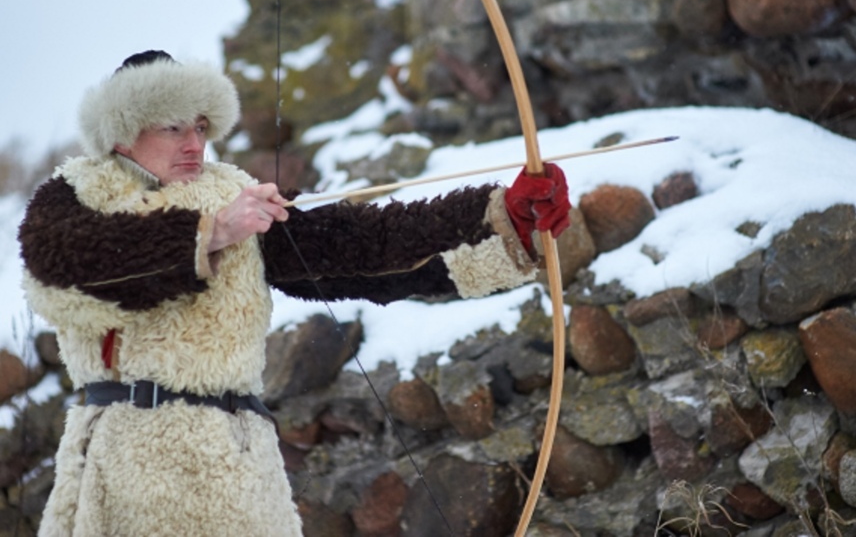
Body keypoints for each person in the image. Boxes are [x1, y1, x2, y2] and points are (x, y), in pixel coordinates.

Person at [18, 50, 571, 537]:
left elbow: (360, 247)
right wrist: (210, 234)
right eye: (172, 127)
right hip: (133, 460)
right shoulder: (79, 193)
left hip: (240, 466)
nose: (194, 144)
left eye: (201, 127)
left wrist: (499, 218)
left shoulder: (231, 192)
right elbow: (65, 268)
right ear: (122, 131)